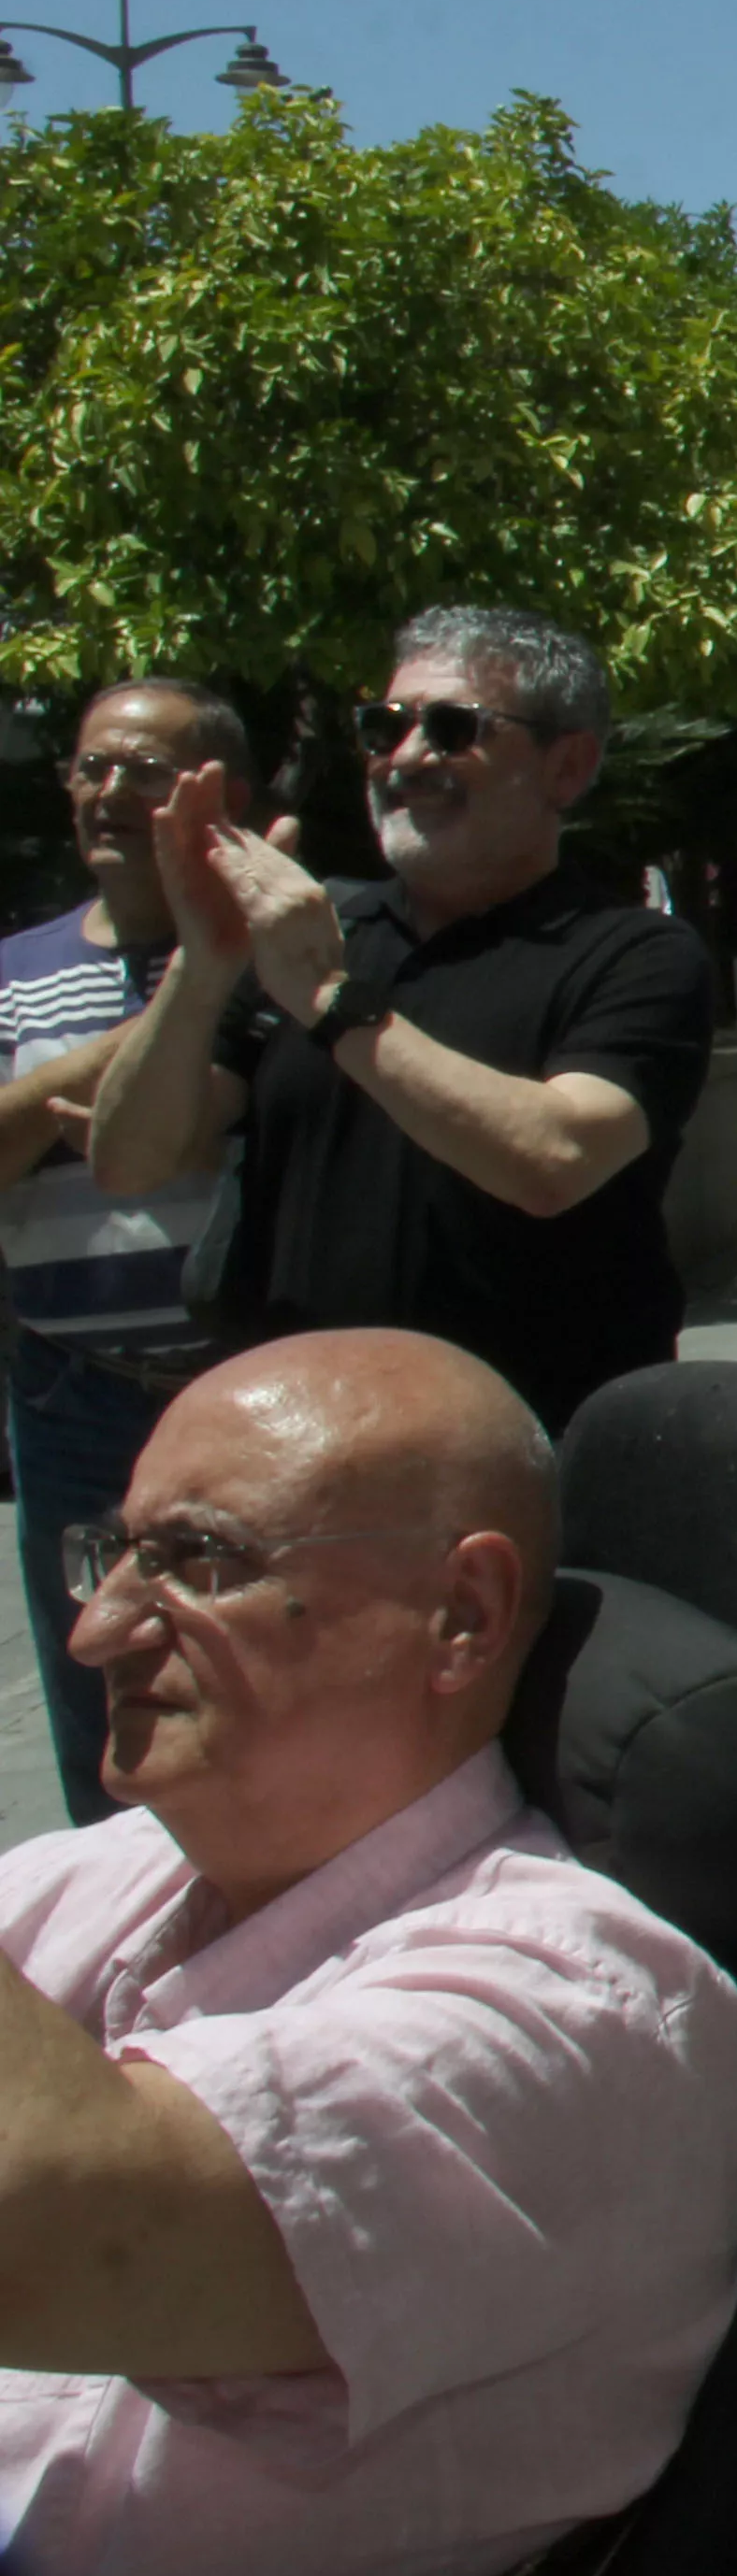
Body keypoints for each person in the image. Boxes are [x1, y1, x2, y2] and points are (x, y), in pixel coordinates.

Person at [0, 1330, 737, 2576]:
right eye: (114, 1554)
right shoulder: (140, 1869)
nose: (95, 1630)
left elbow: (36, 2221)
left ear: (460, 1617)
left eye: (196, 1561)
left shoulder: (574, 2005)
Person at [86, 611, 715, 1437]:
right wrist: (202, 966)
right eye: (385, 726)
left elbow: (555, 1158)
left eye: (454, 729)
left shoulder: (634, 954)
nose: (408, 757)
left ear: (568, 767)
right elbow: (131, 1161)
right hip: (299, 1438)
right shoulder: (310, 933)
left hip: (528, 1447)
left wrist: (331, 1002)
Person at [0, 680, 253, 1822]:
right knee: (101, 1694)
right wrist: (125, 1050)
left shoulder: (266, 954)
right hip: (71, 1401)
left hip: (241, 1385)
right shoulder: (14, 971)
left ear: (217, 795)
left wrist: (61, 1116)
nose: (110, 792)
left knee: (253, 1688)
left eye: (146, 771)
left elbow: (184, 1129)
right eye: (92, 768)